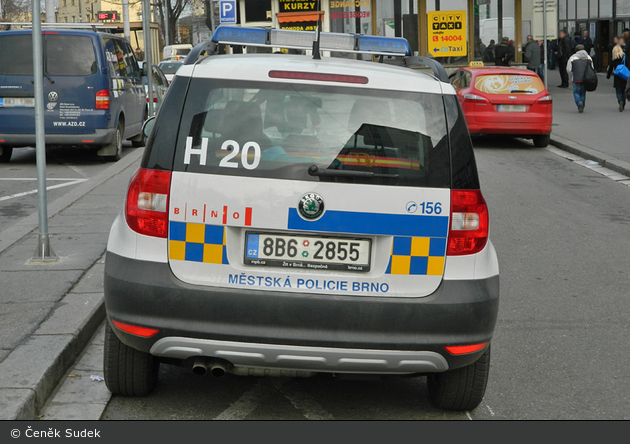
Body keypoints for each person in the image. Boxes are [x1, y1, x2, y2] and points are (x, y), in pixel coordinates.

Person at [567, 44, 594, 113]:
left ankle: (579, 102)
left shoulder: (572, 58)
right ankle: (582, 105)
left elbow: (569, 69)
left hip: (576, 78)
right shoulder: (588, 57)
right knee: (583, 92)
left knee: (576, 92)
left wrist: (572, 75)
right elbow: (592, 68)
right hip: (586, 79)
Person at [606, 43, 628, 112]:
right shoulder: (625, 58)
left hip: (617, 77)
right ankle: (623, 103)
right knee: (624, 91)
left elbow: (610, 69)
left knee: (618, 91)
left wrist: (608, 76)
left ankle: (620, 100)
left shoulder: (613, 60)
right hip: (624, 77)